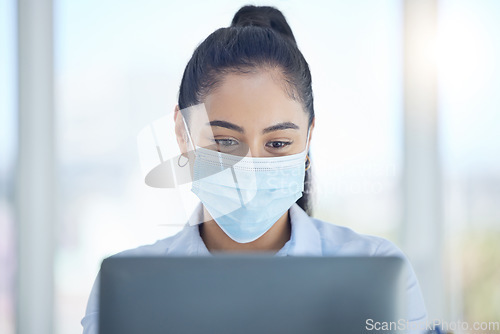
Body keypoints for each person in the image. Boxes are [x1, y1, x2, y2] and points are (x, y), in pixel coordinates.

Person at [81, 5, 427, 333]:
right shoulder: (129, 288)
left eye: (277, 144)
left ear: (308, 139)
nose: (250, 167)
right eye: (226, 142)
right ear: (182, 134)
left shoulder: (374, 270)